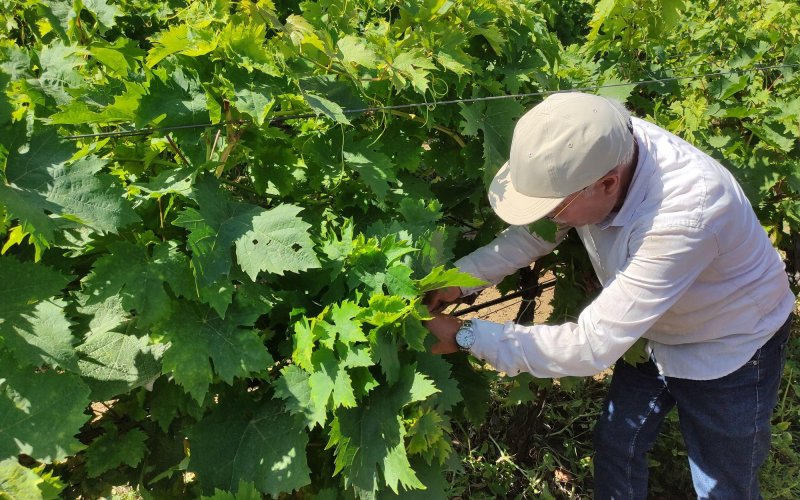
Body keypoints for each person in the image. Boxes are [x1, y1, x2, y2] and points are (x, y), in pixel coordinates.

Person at [423, 92, 795, 499]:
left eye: (553, 210)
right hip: (647, 328)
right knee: (618, 445)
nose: (550, 219)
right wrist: (459, 280)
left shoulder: (687, 214)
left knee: (722, 484)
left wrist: (466, 335)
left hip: (730, 344)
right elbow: (537, 234)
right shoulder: (597, 149)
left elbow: (590, 346)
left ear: (607, 184)